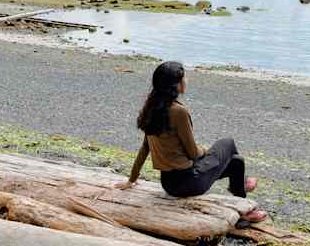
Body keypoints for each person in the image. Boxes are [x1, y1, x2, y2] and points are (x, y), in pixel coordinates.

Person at [115, 61, 268, 223]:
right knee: (227, 143)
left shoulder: (152, 108)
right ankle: (243, 208)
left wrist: (131, 180)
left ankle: (243, 203)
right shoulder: (179, 112)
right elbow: (193, 154)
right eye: (184, 78)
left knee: (237, 162)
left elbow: (144, 148)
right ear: (175, 85)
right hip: (189, 183)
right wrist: (206, 150)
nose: (186, 81)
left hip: (168, 183)